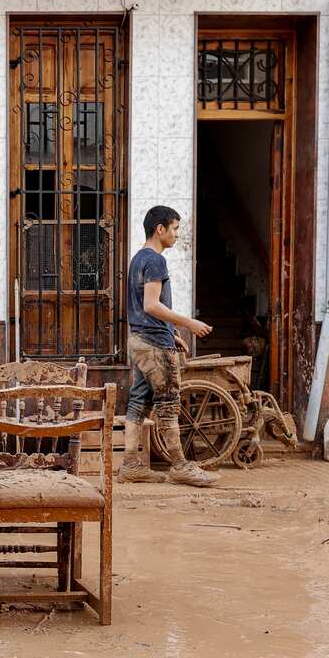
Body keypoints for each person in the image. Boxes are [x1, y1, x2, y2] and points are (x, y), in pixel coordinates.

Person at [118, 206, 217, 488]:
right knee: (169, 404)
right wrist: (189, 323)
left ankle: (130, 466)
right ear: (159, 229)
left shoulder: (138, 259)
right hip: (154, 345)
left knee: (138, 402)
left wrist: (172, 332)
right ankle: (180, 466)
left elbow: (141, 306)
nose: (176, 234)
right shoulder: (156, 262)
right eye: (174, 228)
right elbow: (151, 304)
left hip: (139, 340)